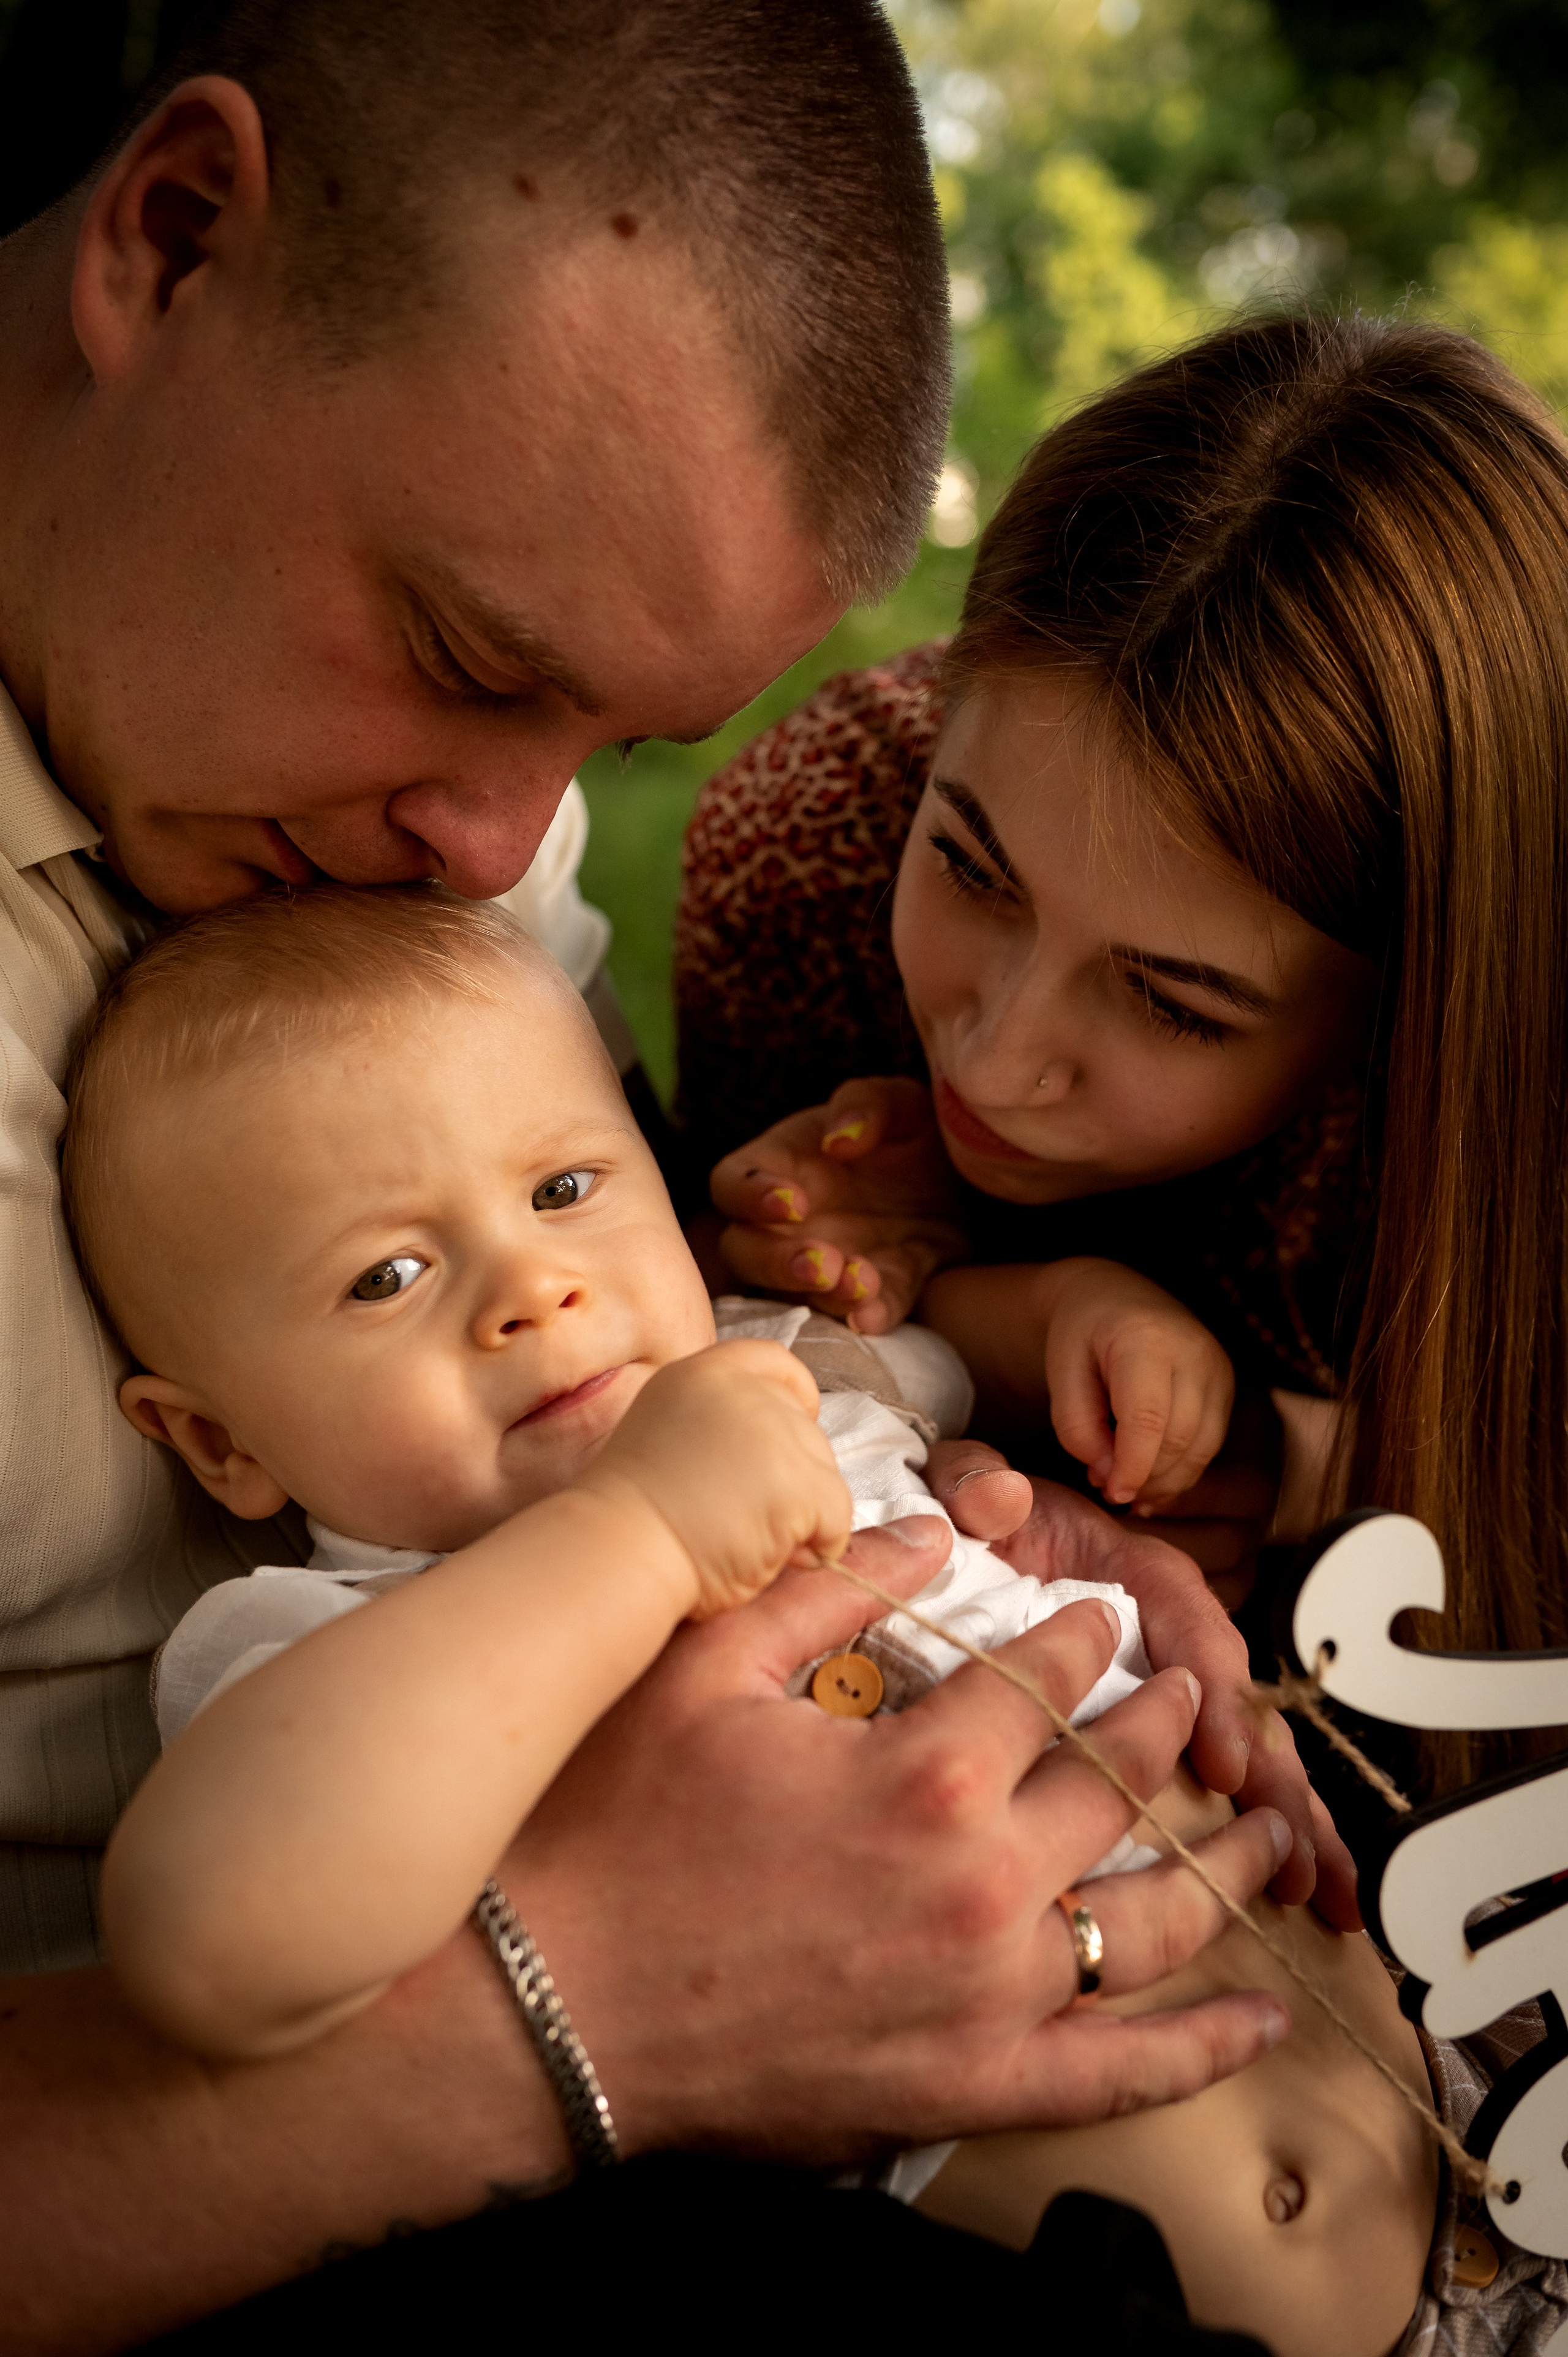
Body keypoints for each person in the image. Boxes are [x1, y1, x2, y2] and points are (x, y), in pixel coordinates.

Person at [0, 6, 1316, 2342]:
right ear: (172, 240)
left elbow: (706, 1350)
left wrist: (1010, 1512)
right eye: (463, 651)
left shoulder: (367, 805)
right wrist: (586, 2001)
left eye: (605, 745)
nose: (507, 854)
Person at [79, 884, 1428, 2357]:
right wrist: (634, 1532)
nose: (534, 1287)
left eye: (562, 1189)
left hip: (1458, 2113)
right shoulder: (340, 1641)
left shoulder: (778, 1366)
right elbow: (215, 1938)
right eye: (386, 1275)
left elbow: (962, 1351)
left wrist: (1083, 1315)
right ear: (220, 1447)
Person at [682, 311, 1568, 1793]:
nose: (998, 1056)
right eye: (968, 865)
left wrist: (1298, 1464)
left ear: (1407, 1008)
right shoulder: (809, 849)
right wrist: (959, 1301)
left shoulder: (1515, 1078)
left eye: (1173, 1002)